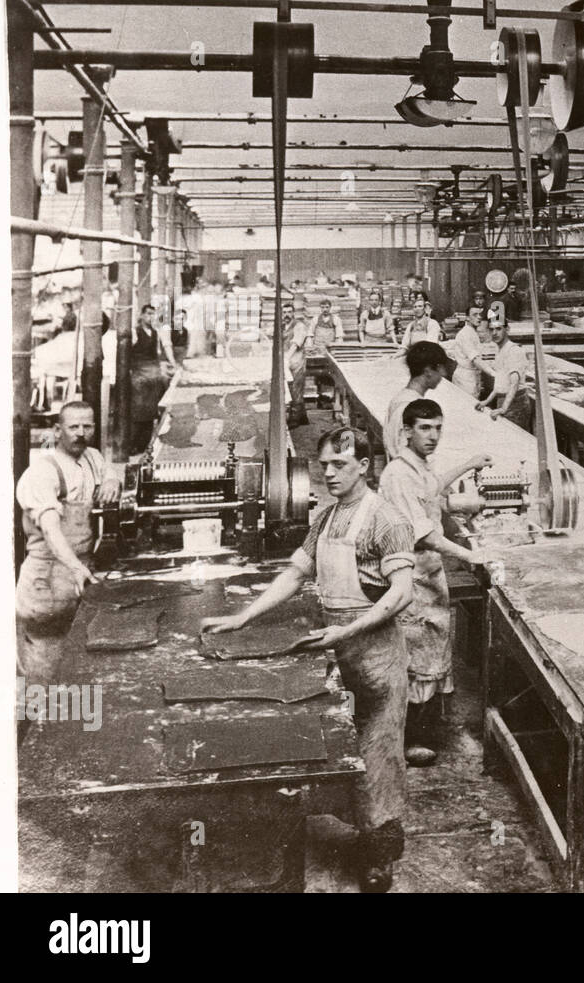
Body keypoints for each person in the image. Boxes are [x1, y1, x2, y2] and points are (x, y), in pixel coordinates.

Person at [203, 427, 414, 892]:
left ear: (365, 465)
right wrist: (243, 617)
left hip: (376, 657)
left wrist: (347, 630)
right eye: (325, 465)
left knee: (378, 756)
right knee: (339, 750)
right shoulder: (327, 517)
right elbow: (297, 571)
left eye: (340, 464)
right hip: (336, 650)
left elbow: (401, 594)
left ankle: (380, 858)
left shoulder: (387, 520)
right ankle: (348, 830)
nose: (330, 473)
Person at [379, 399, 491, 766]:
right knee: (414, 658)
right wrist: (469, 554)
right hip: (409, 576)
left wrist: (469, 466)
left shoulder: (419, 467)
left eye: (438, 427)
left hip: (429, 575)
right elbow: (423, 532)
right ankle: (411, 739)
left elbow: (434, 489)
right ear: (406, 431)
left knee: (432, 653)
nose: (433, 436)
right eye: (425, 428)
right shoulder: (397, 474)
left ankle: (426, 727)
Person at [15, 402, 120, 696]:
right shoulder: (42, 472)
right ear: (57, 429)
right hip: (46, 582)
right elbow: (50, 529)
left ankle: (75, 729)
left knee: (77, 667)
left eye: (87, 426)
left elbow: (109, 469)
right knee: (45, 675)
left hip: (77, 574)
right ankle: (38, 732)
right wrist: (76, 567)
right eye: (73, 427)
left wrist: (112, 480)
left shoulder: (92, 458)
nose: (81, 433)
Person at [383, 341, 454, 462]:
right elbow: (405, 454)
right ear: (428, 372)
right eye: (440, 369)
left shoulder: (399, 399)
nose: (444, 374)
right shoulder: (410, 406)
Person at [130, 304, 177, 453]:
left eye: (153, 314)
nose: (151, 317)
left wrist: (170, 365)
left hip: (153, 375)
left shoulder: (156, 333)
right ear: (142, 315)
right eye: (148, 314)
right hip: (139, 375)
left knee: (151, 411)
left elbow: (158, 353)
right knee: (138, 411)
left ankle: (145, 445)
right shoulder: (134, 332)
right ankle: (133, 445)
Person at [476, 310, 530, 430]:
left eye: (499, 329)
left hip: (515, 404)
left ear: (507, 329)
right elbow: (500, 384)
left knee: (516, 442)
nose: (494, 333)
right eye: (492, 329)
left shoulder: (513, 351)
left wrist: (504, 408)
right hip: (504, 401)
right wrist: (486, 401)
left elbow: (514, 382)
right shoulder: (500, 350)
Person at [307, 298, 340, 405]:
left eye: (327, 307)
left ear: (330, 308)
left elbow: (339, 336)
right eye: (323, 307)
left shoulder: (336, 319)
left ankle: (330, 397)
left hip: (330, 350)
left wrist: (337, 349)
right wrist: (310, 348)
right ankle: (320, 397)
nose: (325, 309)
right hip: (318, 350)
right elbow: (310, 334)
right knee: (318, 373)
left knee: (331, 373)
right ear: (320, 308)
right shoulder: (315, 319)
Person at [447, 314, 489, 397]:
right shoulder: (465, 334)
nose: (479, 317)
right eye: (475, 315)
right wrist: (493, 373)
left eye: (480, 315)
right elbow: (474, 358)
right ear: (467, 318)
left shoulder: (473, 332)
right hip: (465, 378)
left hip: (472, 376)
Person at [284, 309, 311, 427]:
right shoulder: (282, 326)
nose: (286, 315)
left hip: (297, 361)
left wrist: (287, 357)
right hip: (287, 362)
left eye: (289, 312)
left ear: (293, 313)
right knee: (291, 388)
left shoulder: (299, 326)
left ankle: (295, 419)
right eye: (284, 312)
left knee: (296, 389)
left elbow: (296, 344)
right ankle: (303, 418)